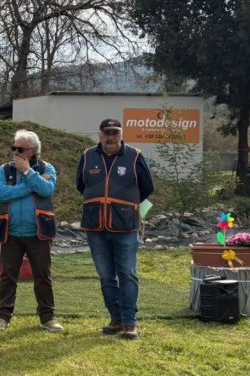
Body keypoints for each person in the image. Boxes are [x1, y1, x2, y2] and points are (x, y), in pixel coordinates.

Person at [75, 118, 155, 340]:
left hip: (126, 226)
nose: (110, 137)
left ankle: (130, 322)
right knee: (105, 276)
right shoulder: (87, 156)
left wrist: (125, 205)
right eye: (106, 133)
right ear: (99, 134)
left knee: (127, 274)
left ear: (121, 134)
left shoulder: (135, 155)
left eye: (115, 132)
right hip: (95, 226)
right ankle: (116, 318)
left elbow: (148, 186)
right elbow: (80, 185)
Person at [0, 130, 63, 332]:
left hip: (38, 233)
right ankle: (2, 316)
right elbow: (2, 193)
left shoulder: (47, 168)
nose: (15, 152)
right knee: (7, 276)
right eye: (13, 148)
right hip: (11, 233)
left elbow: (47, 189)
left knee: (43, 276)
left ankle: (48, 317)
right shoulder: (4, 169)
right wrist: (30, 186)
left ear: (32, 151)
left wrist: (28, 172)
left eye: (20, 149)